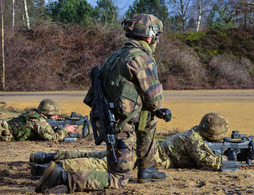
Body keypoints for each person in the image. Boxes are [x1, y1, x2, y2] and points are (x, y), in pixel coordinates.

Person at [34, 13, 166, 193]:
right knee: (118, 179)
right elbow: (155, 101)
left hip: (109, 121)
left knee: (150, 117)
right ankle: (62, 177)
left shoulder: (115, 56)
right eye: (156, 37)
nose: (157, 42)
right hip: (119, 127)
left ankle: (146, 168)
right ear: (150, 36)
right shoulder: (142, 59)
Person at [31, 112, 229, 193]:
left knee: (97, 156)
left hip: (143, 150)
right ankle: (50, 169)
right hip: (145, 156)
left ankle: (48, 157)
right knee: (101, 164)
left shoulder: (193, 133)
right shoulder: (194, 140)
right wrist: (226, 159)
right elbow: (208, 162)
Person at [0, 98, 76, 142]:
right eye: (55, 115)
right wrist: (65, 129)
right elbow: (52, 138)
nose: (56, 117)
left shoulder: (33, 113)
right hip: (3, 132)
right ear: (48, 113)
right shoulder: (39, 122)